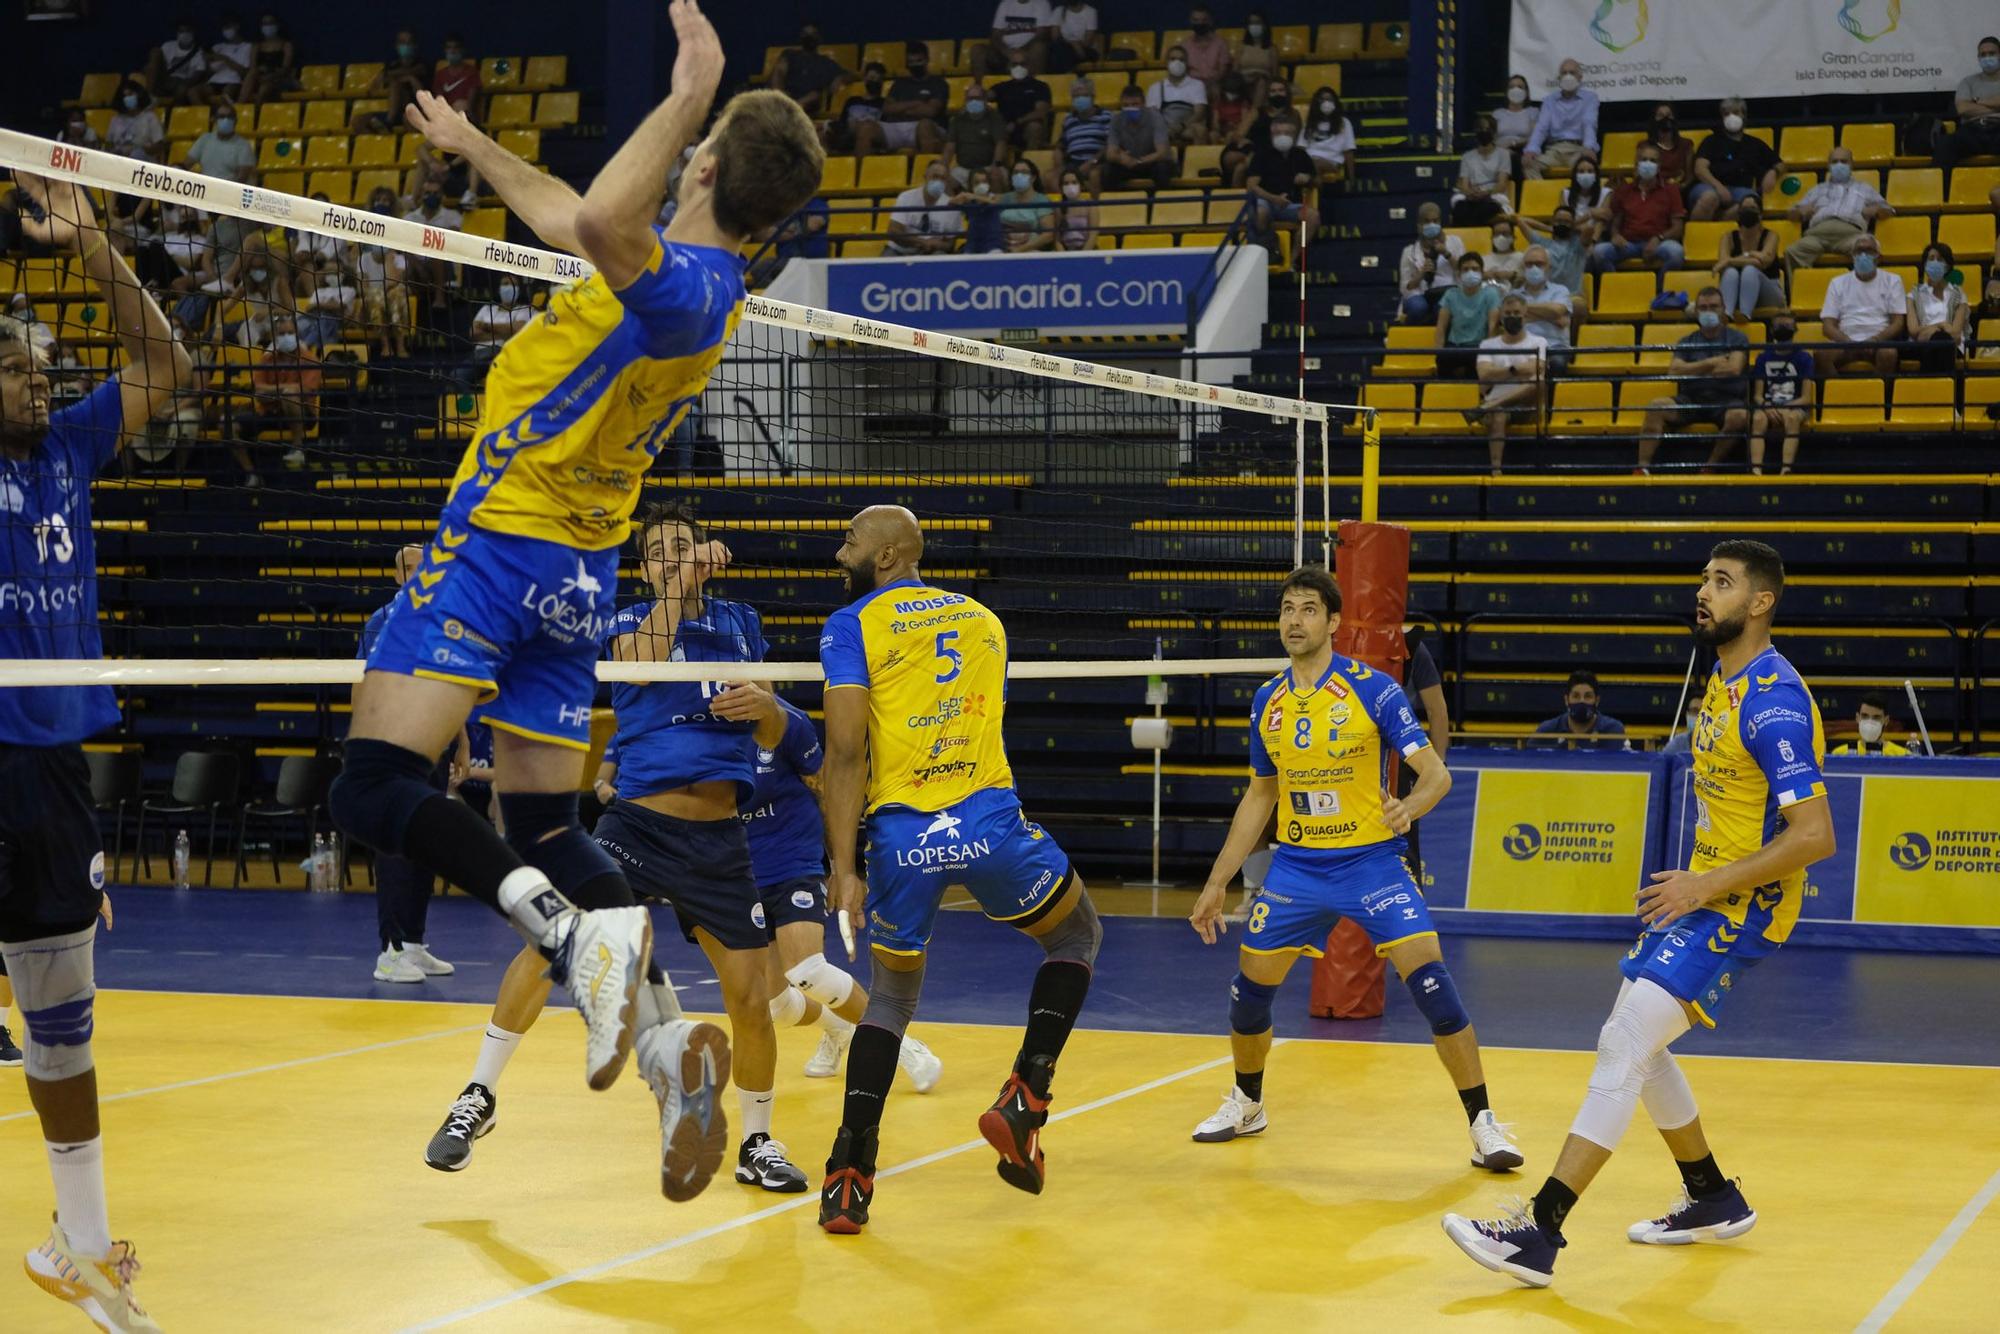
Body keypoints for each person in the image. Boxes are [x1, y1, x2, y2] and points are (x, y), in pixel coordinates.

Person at [327, 1, 823, 1203]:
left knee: (374, 786)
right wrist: (476, 150)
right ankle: (663, 1048)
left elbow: (601, 212)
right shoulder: (685, 276)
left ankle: (569, 938)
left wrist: (691, 84)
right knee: (550, 829)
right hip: (577, 575)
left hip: (505, 538)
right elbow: (574, 216)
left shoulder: (686, 285)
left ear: (701, 164)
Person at [1447, 541, 1835, 1290]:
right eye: (1702, 580)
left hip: (1740, 906)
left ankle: (1539, 1229)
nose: (1703, 592)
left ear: (1760, 602)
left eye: (1721, 583)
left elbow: (1815, 836)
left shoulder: (1774, 702)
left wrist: (1703, 886)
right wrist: (1696, 883)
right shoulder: (1722, 681)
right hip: (1707, 894)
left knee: (1623, 1042)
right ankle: (1712, 1195)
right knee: (1640, 1046)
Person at [2, 168, 192, 1334]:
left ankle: (81, 1248)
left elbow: (166, 367)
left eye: (38, 364)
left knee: (63, 1018)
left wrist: (93, 251)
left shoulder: (71, 444)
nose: (37, 378)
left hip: (51, 769)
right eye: (14, 365)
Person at [816, 506, 1102, 1233]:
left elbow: (845, 753)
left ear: (883, 559)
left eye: (850, 540)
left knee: (889, 1001)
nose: (838, 549)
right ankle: (1026, 1095)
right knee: (1076, 938)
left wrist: (843, 868)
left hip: (904, 839)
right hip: (987, 825)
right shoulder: (985, 620)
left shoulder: (850, 625)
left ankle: (850, 1174)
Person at [1186, 567, 1521, 1168]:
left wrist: (1409, 808)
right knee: (1248, 998)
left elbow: (1435, 773)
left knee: (1435, 990)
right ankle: (1248, 1102)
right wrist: (1217, 882)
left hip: (1371, 864)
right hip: (1295, 868)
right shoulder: (1268, 702)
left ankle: (1485, 1125)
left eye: (1309, 609)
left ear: (1334, 621)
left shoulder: (1374, 689)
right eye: (1287, 608)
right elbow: (1260, 796)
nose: (1294, 620)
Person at [725, 695, 944, 1090]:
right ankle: (840, 1030)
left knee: (806, 970)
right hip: (742, 873)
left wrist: (839, 868)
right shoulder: (701, 732)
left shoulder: (788, 723)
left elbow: (826, 791)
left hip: (793, 861)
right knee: (777, 1006)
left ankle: (902, 1043)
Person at [357, 544, 459, 984]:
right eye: (416, 569)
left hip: (437, 744)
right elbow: (362, 685)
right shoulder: (384, 620)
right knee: (395, 847)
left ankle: (413, 944)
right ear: (400, 576)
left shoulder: (446, 622)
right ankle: (390, 951)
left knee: (426, 844)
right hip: (395, 746)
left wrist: (463, 742)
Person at [1636, 287, 1749, 472]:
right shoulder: (1687, 341)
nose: (1708, 311)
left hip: (1726, 401)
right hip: (1691, 400)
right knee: (1656, 406)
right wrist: (1711, 363)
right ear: (1696, 311)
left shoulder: (1737, 337)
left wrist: (1691, 369)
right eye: (1703, 307)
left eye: (1714, 306)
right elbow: (1673, 372)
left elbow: (1733, 368)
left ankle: (1709, 467)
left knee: (1740, 416)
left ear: (1723, 309)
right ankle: (1641, 469)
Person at [1783, 147, 1890, 271]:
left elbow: (1888, 210)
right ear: (1829, 165)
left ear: (1852, 165)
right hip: (1817, 236)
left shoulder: (1864, 188)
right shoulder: (1817, 189)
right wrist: (1800, 211)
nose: (1839, 165)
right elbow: (1791, 214)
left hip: (1851, 235)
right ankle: (1804, 289)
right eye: (1835, 162)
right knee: (1792, 252)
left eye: (1844, 161)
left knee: (1868, 250)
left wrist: (1877, 210)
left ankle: (1863, 289)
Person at [1474, 294, 1546, 474]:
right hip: (1499, 407)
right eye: (1507, 313)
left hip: (1527, 406)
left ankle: (1489, 406)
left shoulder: (1538, 342)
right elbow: (1484, 374)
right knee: (1498, 415)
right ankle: (1496, 470)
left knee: (1537, 382)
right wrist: (1514, 370)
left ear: (1525, 316)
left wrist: (1499, 373)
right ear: (1501, 315)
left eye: (1516, 313)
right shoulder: (1487, 344)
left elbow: (1535, 369)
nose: (1512, 317)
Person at [1815, 234, 1905, 379]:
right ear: (1852, 256)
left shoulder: (1892, 281)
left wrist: (1876, 340)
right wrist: (1846, 341)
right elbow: (1828, 326)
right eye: (1859, 251)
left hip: (1878, 341)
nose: (1863, 255)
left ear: (1879, 257)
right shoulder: (1837, 283)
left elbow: (1898, 322)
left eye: (1869, 251)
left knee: (1889, 353)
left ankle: (1877, 396)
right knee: (1821, 355)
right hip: (1845, 341)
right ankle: (1839, 393)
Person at [1589, 142, 1684, 274]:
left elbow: (1678, 228)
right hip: (1628, 244)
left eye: (1653, 160)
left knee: (1676, 253)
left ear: (1659, 166)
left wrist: (1658, 238)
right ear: (1637, 163)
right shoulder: (1624, 190)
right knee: (1599, 252)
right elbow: (1616, 224)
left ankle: (1660, 290)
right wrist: (1615, 236)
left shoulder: (1671, 190)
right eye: (1644, 160)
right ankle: (1615, 287)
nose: (1648, 163)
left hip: (1659, 242)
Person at [246, 313, 320, 467]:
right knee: (228, 425)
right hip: (270, 413)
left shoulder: (309, 359)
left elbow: (304, 390)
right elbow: (258, 391)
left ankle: (298, 448)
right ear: (275, 337)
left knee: (290, 396)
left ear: (297, 335)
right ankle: (251, 473)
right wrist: (284, 389)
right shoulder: (267, 359)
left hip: (303, 413)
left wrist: (274, 392)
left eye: (290, 333)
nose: (286, 336)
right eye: (282, 334)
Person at [1686, 99, 1778, 222]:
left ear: (1744, 115)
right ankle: (1696, 237)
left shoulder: (1755, 144)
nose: (1731, 117)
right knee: (1710, 198)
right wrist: (1719, 187)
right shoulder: (1711, 141)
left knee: (1750, 204)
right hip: (1709, 187)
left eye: (1735, 112)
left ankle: (1716, 224)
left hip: (1741, 190)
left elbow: (1780, 163)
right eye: (1726, 114)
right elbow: (1700, 169)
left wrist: (1774, 172)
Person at [1245, 114, 1319, 266]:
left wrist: (1308, 179)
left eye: (1287, 133)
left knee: (1313, 216)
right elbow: (1252, 185)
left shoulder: (1301, 155)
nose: (1283, 137)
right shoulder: (1261, 155)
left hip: (1291, 205)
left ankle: (1291, 260)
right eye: (1278, 133)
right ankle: (1269, 253)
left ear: (1295, 135)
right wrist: (1274, 198)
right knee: (1260, 213)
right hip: (1266, 202)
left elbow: (1318, 181)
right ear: (1271, 135)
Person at [854, 42, 946, 158]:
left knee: (925, 125)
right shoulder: (899, 83)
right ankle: (859, 173)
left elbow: (930, 111)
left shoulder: (938, 83)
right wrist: (917, 103)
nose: (915, 65)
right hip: (896, 127)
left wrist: (900, 108)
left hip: (924, 127)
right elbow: (887, 108)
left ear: (927, 60)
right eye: (911, 62)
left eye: (919, 61)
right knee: (866, 127)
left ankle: (927, 173)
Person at [1748, 317, 1813, 475]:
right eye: (1779, 324)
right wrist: (1766, 405)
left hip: (1795, 406)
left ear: (1795, 329)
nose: (1783, 327)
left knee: (1791, 418)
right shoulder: (1763, 358)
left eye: (1787, 324)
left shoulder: (1804, 358)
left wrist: (1785, 407)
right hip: (1769, 405)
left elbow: (1806, 397)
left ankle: (1786, 468)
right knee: (1757, 419)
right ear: (1771, 330)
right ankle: (1756, 470)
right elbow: (1757, 395)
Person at [1522, 57, 1597, 180]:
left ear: (1580, 77)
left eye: (1572, 73)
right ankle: (1544, 197)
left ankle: (1573, 198)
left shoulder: (1590, 99)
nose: (1568, 76)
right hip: (1554, 151)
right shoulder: (1549, 100)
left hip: (1577, 150)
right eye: (1564, 73)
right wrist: (1531, 150)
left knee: (1586, 167)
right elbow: (1541, 127)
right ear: (1559, 78)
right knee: (1529, 165)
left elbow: (1589, 123)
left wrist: (1588, 147)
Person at [1934, 35, 2000, 170]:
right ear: (1978, 58)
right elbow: (1962, 109)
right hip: (1973, 130)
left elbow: (1969, 106)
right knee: (1945, 144)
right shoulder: (1968, 82)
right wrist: (1996, 106)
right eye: (1983, 54)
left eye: (1992, 53)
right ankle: (1943, 191)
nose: (1987, 57)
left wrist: (1976, 101)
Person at [1435, 252, 1502, 380]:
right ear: (1459, 274)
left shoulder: (1491, 294)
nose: (1470, 272)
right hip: (1454, 346)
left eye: (1475, 269)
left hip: (1478, 346)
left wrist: (1487, 355)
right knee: (1442, 360)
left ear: (1482, 272)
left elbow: (1492, 327)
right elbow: (1441, 326)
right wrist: (1438, 351)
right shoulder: (1451, 294)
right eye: (1465, 269)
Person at [1714, 201, 1783, 323]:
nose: (1748, 211)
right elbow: (1722, 265)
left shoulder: (1771, 235)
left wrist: (1731, 260)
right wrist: (1753, 255)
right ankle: (1726, 314)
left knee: (1750, 270)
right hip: (1737, 291)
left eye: (1752, 208)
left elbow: (1764, 262)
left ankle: (1745, 314)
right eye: (1745, 208)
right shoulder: (1728, 237)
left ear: (1760, 214)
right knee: (1730, 272)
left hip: (1768, 293)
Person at [1908, 242, 1970, 373]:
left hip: (1953, 347)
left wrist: (1928, 330)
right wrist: (1942, 325)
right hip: (1922, 346)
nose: (1935, 262)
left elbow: (1955, 334)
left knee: (1942, 341)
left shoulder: (1959, 294)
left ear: (1947, 266)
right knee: (1939, 341)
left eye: (1940, 259)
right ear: (1924, 265)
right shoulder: (1913, 295)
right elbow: (1913, 331)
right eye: (1931, 259)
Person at [1398, 202, 1464, 323]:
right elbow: (1405, 288)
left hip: (1445, 292)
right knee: (1418, 308)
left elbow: (1463, 272)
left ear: (1440, 223)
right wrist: (1421, 274)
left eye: (1435, 221)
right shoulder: (1409, 252)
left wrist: (1447, 254)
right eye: (1427, 221)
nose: (1431, 225)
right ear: (1419, 225)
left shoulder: (1455, 242)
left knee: (1443, 308)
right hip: (1419, 295)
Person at [769, 24, 852, 119]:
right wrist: (780, 95)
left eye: (812, 34)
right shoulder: (789, 54)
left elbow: (851, 75)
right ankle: (785, 106)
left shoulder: (825, 62)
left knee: (815, 95)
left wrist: (840, 78)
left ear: (819, 39)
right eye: (805, 34)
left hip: (807, 103)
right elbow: (779, 73)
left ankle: (792, 110)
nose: (809, 36)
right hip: (784, 98)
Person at [1101, 85, 1173, 192]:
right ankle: (1115, 206)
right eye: (1126, 105)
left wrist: (1139, 161)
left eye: (1135, 104)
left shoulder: (1155, 117)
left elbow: (1162, 153)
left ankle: (1162, 206)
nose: (1130, 108)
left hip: (1151, 163)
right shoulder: (1116, 120)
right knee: (1108, 170)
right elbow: (1110, 154)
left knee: (1162, 169)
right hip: (1128, 164)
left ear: (1143, 104)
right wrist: (1121, 158)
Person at [1534, 669, 1629, 750]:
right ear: (1567, 700)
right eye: (1576, 696)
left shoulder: (1613, 731)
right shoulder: (1546, 731)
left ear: (1597, 701)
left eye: (1588, 696)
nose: (1581, 701)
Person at [885, 160, 964, 255]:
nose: (938, 181)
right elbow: (893, 231)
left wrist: (936, 245)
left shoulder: (951, 206)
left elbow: (950, 244)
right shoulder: (906, 197)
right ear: (925, 177)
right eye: (935, 177)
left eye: (943, 178)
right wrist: (921, 242)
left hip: (931, 252)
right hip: (900, 250)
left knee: (940, 255)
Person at [1517, 204, 1588, 307]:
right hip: (1548, 296)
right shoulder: (1542, 242)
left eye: (1566, 222)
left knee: (1579, 306)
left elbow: (1589, 229)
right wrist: (1549, 228)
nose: (1562, 224)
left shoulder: (1578, 245)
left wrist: (1572, 227)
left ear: (1573, 224)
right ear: (1553, 222)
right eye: (1558, 221)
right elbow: (1521, 221)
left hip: (1572, 297)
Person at [1510, 247, 1572, 360]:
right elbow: (1511, 322)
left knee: (1556, 363)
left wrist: (1521, 309)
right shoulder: (1513, 294)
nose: (1534, 268)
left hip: (1554, 346)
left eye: (1539, 264)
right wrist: (1550, 315)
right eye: (1529, 264)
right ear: (1523, 267)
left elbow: (1557, 311)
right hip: (1523, 347)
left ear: (1549, 267)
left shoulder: (1561, 290)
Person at [944, 83, 1010, 187]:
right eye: (970, 98)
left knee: (999, 177)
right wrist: (944, 166)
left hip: (988, 167)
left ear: (984, 100)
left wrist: (995, 166)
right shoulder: (957, 119)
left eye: (977, 98)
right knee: (943, 181)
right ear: (965, 100)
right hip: (963, 169)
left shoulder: (995, 117)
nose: (973, 101)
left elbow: (1000, 143)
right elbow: (950, 145)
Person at [1452, 115, 1511, 226]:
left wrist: (1486, 194)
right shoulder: (1467, 156)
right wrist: (1471, 193)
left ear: (1494, 133)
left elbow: (1502, 184)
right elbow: (1463, 184)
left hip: (1493, 195)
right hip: (1473, 195)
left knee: (1486, 207)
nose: (1483, 132)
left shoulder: (1503, 154)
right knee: (1460, 207)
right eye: (1480, 129)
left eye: (1487, 129)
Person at [1147, 46, 1211, 147]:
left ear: (1187, 64)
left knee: (1200, 130)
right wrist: (1167, 128)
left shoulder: (1197, 85)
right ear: (1166, 63)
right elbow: (1153, 115)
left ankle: (1196, 161)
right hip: (1165, 127)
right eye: (1173, 59)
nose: (1177, 63)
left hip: (1188, 127)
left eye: (1182, 60)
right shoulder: (1156, 87)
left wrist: (1181, 126)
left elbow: (1200, 113)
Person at [1058, 78, 1111, 190]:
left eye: (1084, 95)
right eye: (1076, 96)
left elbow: (1111, 144)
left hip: (1098, 162)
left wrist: (1092, 162)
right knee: (1051, 177)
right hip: (1073, 163)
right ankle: (1065, 206)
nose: (1080, 99)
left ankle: (1094, 206)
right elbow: (1061, 145)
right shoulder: (1068, 120)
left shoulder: (1106, 116)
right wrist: (1061, 166)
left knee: (1094, 175)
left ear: (1093, 96)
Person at [979, 0, 1055, 77]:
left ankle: (1035, 86)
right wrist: (1006, 51)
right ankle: (978, 87)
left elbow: (1041, 34)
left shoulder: (1042, 3)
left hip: (1029, 50)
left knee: (1039, 47)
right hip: (1006, 51)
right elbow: (995, 35)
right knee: (977, 50)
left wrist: (1021, 51)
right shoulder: (1005, 4)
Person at [992, 60, 1054, 151]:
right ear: (1009, 67)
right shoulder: (1001, 87)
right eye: (1014, 64)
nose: (1019, 68)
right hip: (1004, 128)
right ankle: (997, 163)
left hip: (1026, 127)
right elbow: (983, 96)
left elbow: (1040, 112)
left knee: (1034, 127)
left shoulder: (1040, 86)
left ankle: (1029, 161)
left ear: (1030, 66)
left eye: (1023, 64)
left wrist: (1017, 122)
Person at [143, 21, 210, 106]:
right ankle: (148, 98)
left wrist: (182, 84)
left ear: (193, 33)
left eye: (187, 31)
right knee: (155, 52)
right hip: (164, 79)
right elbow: (155, 65)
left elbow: (197, 76)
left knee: (182, 89)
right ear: (177, 33)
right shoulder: (168, 46)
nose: (184, 34)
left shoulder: (199, 53)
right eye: (181, 31)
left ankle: (172, 113)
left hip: (181, 83)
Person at [469, 278, 534, 362]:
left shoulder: (526, 310)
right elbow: (474, 333)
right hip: (479, 355)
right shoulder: (486, 308)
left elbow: (517, 331)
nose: (509, 287)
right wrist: (505, 335)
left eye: (514, 284)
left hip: (507, 356)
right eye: (505, 284)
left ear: (520, 290)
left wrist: (485, 326)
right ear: (499, 289)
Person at [240, 13, 298, 103]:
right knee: (252, 73)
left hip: (279, 78)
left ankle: (257, 111)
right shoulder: (257, 46)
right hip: (259, 77)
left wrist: (270, 74)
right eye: (265, 24)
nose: (268, 26)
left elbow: (285, 69)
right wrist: (261, 73)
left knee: (265, 87)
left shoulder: (286, 45)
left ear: (277, 25)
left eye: (270, 23)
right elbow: (252, 67)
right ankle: (240, 104)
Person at [1830, 693, 1910, 756]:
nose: (1870, 722)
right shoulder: (1839, 754)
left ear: (1886, 720)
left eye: (1876, 717)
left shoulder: (1902, 755)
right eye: (1865, 716)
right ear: (1857, 718)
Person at [1000, 162, 1055, 251]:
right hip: (1004, 249)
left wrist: (1020, 250)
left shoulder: (1041, 200)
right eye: (1015, 172)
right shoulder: (1005, 198)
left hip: (1031, 251)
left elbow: (1049, 235)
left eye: (1024, 172)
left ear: (1033, 178)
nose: (1019, 175)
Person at [1299, 88, 1354, 178]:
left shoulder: (1344, 122)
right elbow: (1301, 147)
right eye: (1322, 99)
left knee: (1314, 163)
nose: (1326, 102)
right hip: (1310, 160)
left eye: (1330, 99)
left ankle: (1313, 185)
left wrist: (1352, 178)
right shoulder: (1309, 122)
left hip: (1332, 161)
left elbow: (1348, 150)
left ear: (1335, 102)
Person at [107, 81, 165, 161]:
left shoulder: (150, 118)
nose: (128, 98)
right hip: (118, 159)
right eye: (125, 96)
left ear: (139, 95)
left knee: (137, 154)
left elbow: (159, 145)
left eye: (130, 94)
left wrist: (145, 149)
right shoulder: (115, 120)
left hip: (143, 160)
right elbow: (109, 145)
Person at [204, 16, 254, 107]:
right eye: (224, 27)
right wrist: (207, 62)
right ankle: (204, 117)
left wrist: (226, 59)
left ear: (237, 26)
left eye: (229, 27)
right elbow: (208, 72)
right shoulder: (217, 47)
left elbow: (244, 72)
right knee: (193, 92)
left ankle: (226, 116)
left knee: (226, 93)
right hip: (215, 81)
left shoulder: (248, 46)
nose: (226, 30)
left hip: (233, 81)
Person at [960, 164, 1010, 254]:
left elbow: (995, 203)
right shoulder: (969, 202)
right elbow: (951, 203)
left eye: (984, 182)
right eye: (977, 182)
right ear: (971, 185)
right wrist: (960, 196)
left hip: (993, 244)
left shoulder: (995, 197)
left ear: (989, 184)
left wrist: (975, 196)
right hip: (973, 244)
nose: (981, 185)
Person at [1494, 74, 1537, 178]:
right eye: (1512, 87)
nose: (1516, 90)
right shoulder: (1498, 114)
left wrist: (1513, 144)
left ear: (1526, 92)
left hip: (1522, 151)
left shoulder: (1533, 112)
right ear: (1507, 92)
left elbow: (1534, 137)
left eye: (1520, 87)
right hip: (1499, 151)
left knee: (1515, 160)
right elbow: (1492, 138)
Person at [1182, 7, 1232, 93]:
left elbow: (1223, 70)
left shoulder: (1221, 43)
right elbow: (1183, 71)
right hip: (1192, 86)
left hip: (1215, 85)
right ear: (1190, 22)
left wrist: (1210, 84)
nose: (1200, 23)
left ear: (1210, 21)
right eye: (1196, 20)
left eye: (1204, 20)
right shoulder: (1185, 45)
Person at [1234, 14, 1278, 107]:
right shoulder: (1241, 46)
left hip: (1264, 82)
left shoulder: (1271, 48)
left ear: (1264, 26)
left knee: (1261, 82)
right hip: (1244, 82)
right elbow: (1235, 71)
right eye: (1251, 23)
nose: (1254, 26)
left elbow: (1275, 74)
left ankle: (1255, 111)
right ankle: (1255, 113)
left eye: (1257, 23)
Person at [432, 34, 482, 115]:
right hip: (445, 115)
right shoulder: (440, 75)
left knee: (460, 105)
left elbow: (470, 105)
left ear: (462, 50)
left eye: (456, 47)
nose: (452, 51)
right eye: (449, 48)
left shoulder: (472, 72)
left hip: (466, 117)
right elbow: (438, 101)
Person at [1648, 103, 1692, 188]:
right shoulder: (1646, 146)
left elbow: (1689, 176)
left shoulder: (1686, 144)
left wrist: (1681, 186)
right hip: (1655, 188)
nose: (1665, 119)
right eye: (1660, 115)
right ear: (1654, 119)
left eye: (1669, 115)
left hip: (1681, 188)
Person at [1052, 2, 1101, 73]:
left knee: (1063, 54)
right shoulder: (1059, 11)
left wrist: (1075, 45)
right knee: (1060, 50)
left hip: (1086, 50)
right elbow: (1055, 37)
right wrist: (1073, 43)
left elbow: (1087, 42)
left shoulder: (1090, 12)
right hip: (1065, 48)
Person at [1054, 168, 1096, 249]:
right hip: (1066, 253)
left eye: (1074, 182)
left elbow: (1093, 236)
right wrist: (1064, 257)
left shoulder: (1091, 206)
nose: (1070, 186)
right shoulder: (1058, 209)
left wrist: (1081, 258)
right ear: (1061, 188)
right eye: (1066, 183)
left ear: (1081, 185)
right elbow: (1057, 240)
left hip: (1086, 252)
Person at [1484, 222, 1525, 288]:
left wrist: (1513, 276)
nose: (1501, 237)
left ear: (1513, 237)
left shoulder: (1523, 258)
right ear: (1492, 237)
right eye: (1497, 233)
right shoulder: (1483, 260)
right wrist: (1482, 276)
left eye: (1505, 233)